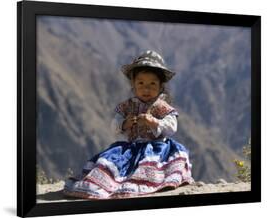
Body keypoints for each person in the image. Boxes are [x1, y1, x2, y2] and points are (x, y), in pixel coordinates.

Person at [63, 50, 194, 199]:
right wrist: (125, 124)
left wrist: (154, 122)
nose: (146, 88)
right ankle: (107, 184)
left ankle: (151, 182)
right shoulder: (126, 106)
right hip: (131, 148)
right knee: (110, 164)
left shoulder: (162, 107)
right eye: (141, 83)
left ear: (161, 85)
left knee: (155, 166)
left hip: (157, 148)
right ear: (133, 84)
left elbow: (172, 126)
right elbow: (114, 125)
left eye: (152, 83)